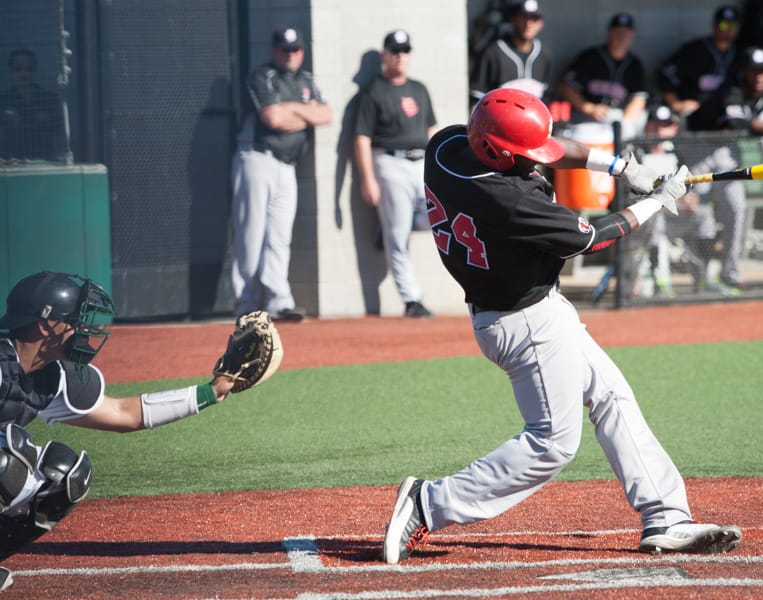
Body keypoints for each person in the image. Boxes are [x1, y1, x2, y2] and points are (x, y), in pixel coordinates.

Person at [381, 88, 742, 565]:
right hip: (524, 323)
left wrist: (622, 168)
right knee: (552, 442)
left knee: (612, 396)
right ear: (496, 150)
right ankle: (431, 502)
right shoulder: (509, 200)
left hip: (527, 310)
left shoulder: (447, 146)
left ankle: (665, 516)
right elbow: (593, 238)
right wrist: (657, 200)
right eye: (527, 156)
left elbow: (553, 146)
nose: (538, 163)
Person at [0, 272, 239, 591]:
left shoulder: (49, 379)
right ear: (45, 325)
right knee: (12, 461)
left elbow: (124, 413)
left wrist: (211, 392)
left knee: (64, 476)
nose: (82, 330)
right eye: (73, 320)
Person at [231, 27, 332, 322]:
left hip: (288, 165)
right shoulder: (263, 75)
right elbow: (273, 118)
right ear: (275, 50)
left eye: (296, 49)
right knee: (250, 234)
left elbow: (326, 115)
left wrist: (291, 109)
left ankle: (278, 300)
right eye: (285, 49)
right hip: (257, 158)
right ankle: (246, 303)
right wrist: (305, 111)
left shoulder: (306, 80)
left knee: (279, 234)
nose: (291, 54)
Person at [685, 46, 763, 289]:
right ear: (744, 72)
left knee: (736, 209)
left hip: (726, 149)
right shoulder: (733, 88)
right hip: (698, 144)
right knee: (698, 211)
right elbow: (738, 123)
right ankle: (700, 276)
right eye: (754, 71)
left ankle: (730, 271)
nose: (759, 76)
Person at [354, 30, 438, 318]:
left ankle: (386, 225)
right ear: (384, 55)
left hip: (421, 161)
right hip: (390, 162)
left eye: (404, 51)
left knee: (435, 218)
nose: (400, 56)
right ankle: (411, 298)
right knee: (398, 235)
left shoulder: (419, 88)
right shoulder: (374, 90)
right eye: (395, 51)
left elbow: (431, 130)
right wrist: (368, 179)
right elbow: (362, 137)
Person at [621, 104, 720, 298]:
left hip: (675, 215)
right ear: (647, 127)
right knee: (656, 219)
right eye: (655, 125)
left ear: (673, 129)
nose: (660, 130)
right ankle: (661, 281)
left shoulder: (675, 153)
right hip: (645, 219)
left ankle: (703, 275)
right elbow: (631, 193)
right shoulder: (635, 152)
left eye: (665, 125)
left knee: (704, 215)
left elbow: (686, 184)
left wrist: (690, 199)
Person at [554, 12, 648, 140]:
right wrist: (588, 107)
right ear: (609, 32)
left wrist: (624, 122)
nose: (622, 36)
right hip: (587, 117)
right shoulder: (591, 57)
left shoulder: (635, 65)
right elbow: (565, 87)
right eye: (618, 31)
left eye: (626, 32)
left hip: (617, 116)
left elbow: (639, 99)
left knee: (638, 121)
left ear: (633, 34)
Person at [657, 5, 742, 119]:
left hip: (727, 112)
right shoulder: (696, 50)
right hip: (697, 111)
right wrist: (675, 103)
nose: (729, 29)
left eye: (733, 25)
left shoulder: (740, 53)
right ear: (714, 25)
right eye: (724, 24)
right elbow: (665, 73)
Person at [469, 0, 552, 107]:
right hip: (499, 120)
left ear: (541, 23)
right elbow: (476, 97)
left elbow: (545, 98)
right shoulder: (493, 52)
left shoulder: (543, 55)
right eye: (523, 17)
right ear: (513, 19)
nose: (528, 24)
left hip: (533, 120)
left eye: (533, 19)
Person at [0, 48, 66, 161]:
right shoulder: (3, 100)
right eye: (18, 69)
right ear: (10, 72)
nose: (24, 74)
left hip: (45, 161)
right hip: (10, 162)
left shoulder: (49, 99)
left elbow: (59, 134)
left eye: (29, 69)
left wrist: (59, 157)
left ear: (35, 71)